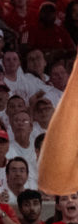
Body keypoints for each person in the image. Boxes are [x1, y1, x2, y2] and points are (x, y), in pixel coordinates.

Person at [38, 56, 78, 194]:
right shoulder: (48, 96)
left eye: (62, 73)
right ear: (51, 78)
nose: (60, 76)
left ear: (68, 74)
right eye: (56, 74)